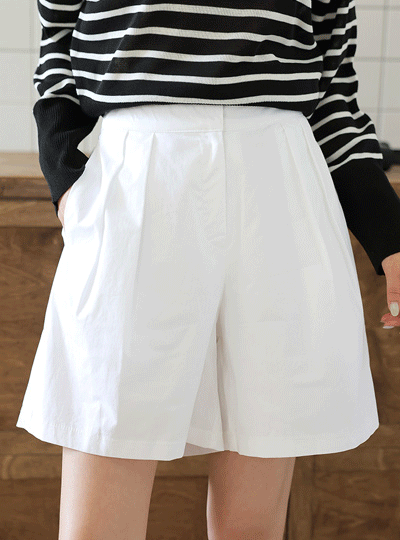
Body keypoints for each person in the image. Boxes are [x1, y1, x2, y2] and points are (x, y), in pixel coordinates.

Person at [16, 1, 400, 539]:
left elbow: (333, 96)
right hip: (140, 177)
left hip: (280, 181)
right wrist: (67, 181)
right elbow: (57, 45)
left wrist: (390, 238)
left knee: (253, 520)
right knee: (99, 499)